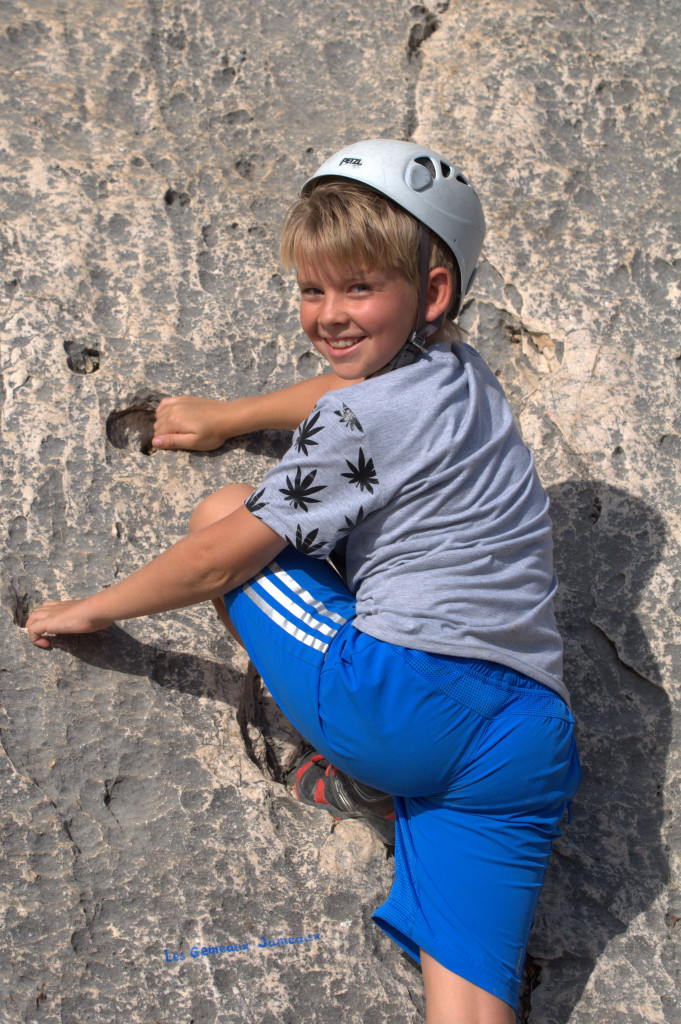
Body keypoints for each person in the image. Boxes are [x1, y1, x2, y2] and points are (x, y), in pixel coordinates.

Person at [26, 139, 581, 1024]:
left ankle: (368, 769)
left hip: (401, 699)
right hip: (527, 741)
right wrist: (232, 414)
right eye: (310, 289)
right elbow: (339, 390)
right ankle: (382, 788)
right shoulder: (462, 375)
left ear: (430, 293)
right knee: (470, 1003)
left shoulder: (366, 416)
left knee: (219, 515)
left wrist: (92, 609)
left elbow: (224, 558)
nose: (327, 313)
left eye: (357, 289)